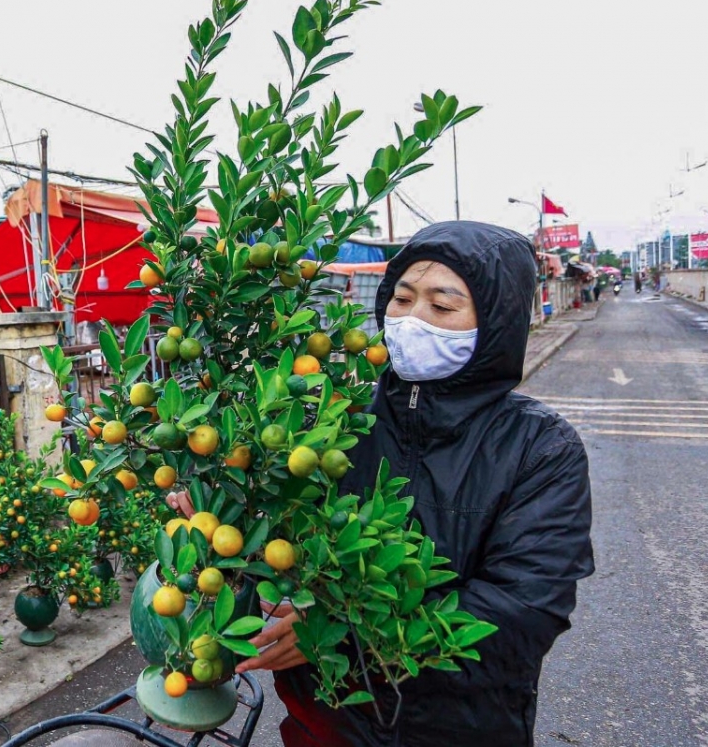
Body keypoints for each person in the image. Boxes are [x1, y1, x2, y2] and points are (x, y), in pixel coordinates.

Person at [237, 221, 595, 746]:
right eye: (401, 299)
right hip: (325, 726)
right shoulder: (335, 422)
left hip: (461, 732)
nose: (411, 320)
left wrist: (336, 633)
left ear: (495, 322)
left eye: (442, 307)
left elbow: (523, 614)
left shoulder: (540, 449)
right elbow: (276, 551)